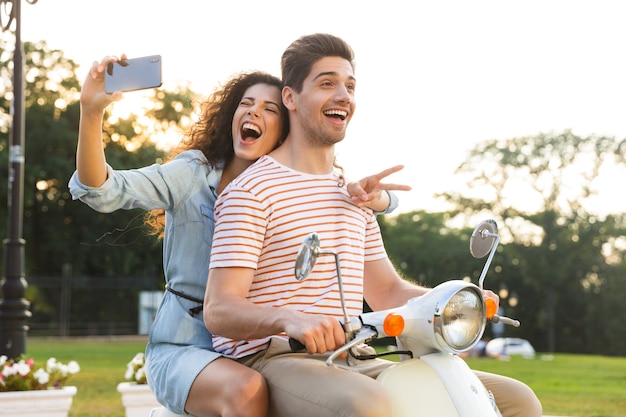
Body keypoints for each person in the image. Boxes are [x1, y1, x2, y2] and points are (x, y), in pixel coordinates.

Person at [203, 33, 542, 417]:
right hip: (274, 358)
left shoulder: (353, 196)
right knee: (369, 407)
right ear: (290, 98)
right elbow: (219, 308)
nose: (343, 95)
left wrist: (456, 303)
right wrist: (290, 318)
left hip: (354, 355)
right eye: (327, 83)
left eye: (349, 86)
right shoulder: (252, 190)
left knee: (516, 401)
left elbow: (385, 290)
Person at [69, 55, 405, 417]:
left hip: (257, 343)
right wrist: (92, 111)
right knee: (246, 389)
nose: (254, 113)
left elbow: (358, 212)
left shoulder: (287, 189)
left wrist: (384, 199)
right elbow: (100, 188)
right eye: (245, 105)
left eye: (268, 109)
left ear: (287, 124)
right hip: (188, 344)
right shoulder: (193, 174)